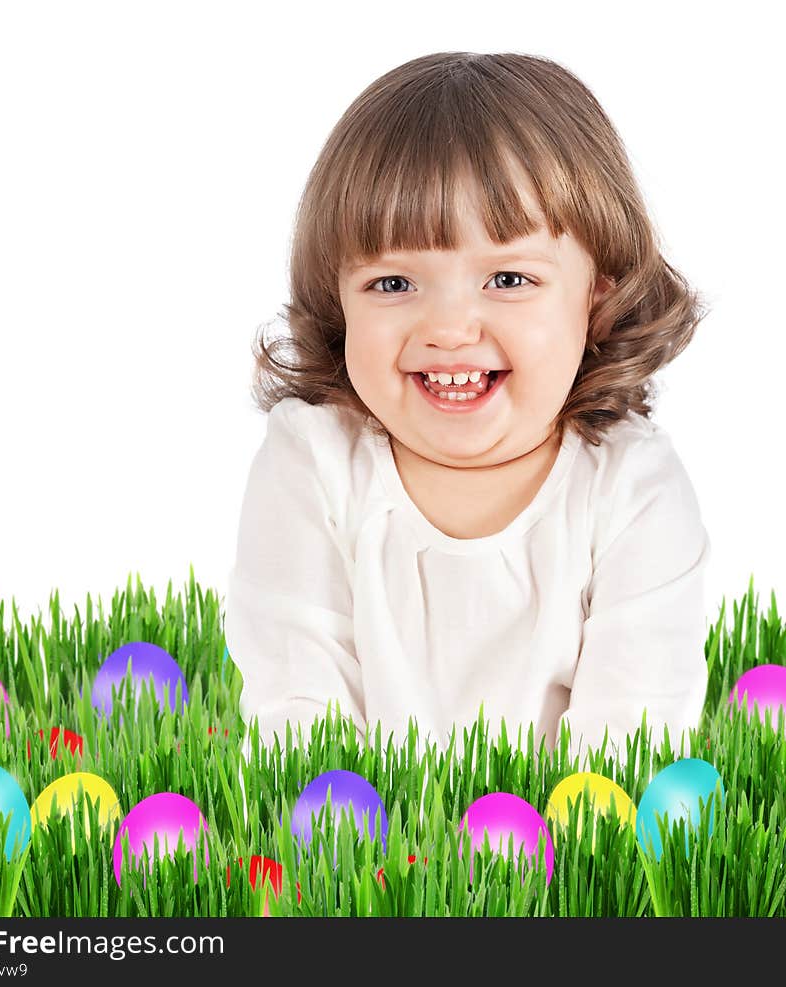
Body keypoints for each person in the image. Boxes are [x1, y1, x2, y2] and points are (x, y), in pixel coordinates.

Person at [223, 51, 712, 771]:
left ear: (597, 296)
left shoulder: (632, 486)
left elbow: (633, 738)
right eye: (393, 282)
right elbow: (297, 705)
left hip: (555, 867)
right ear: (339, 299)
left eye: (508, 278)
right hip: (368, 871)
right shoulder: (314, 462)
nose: (449, 327)